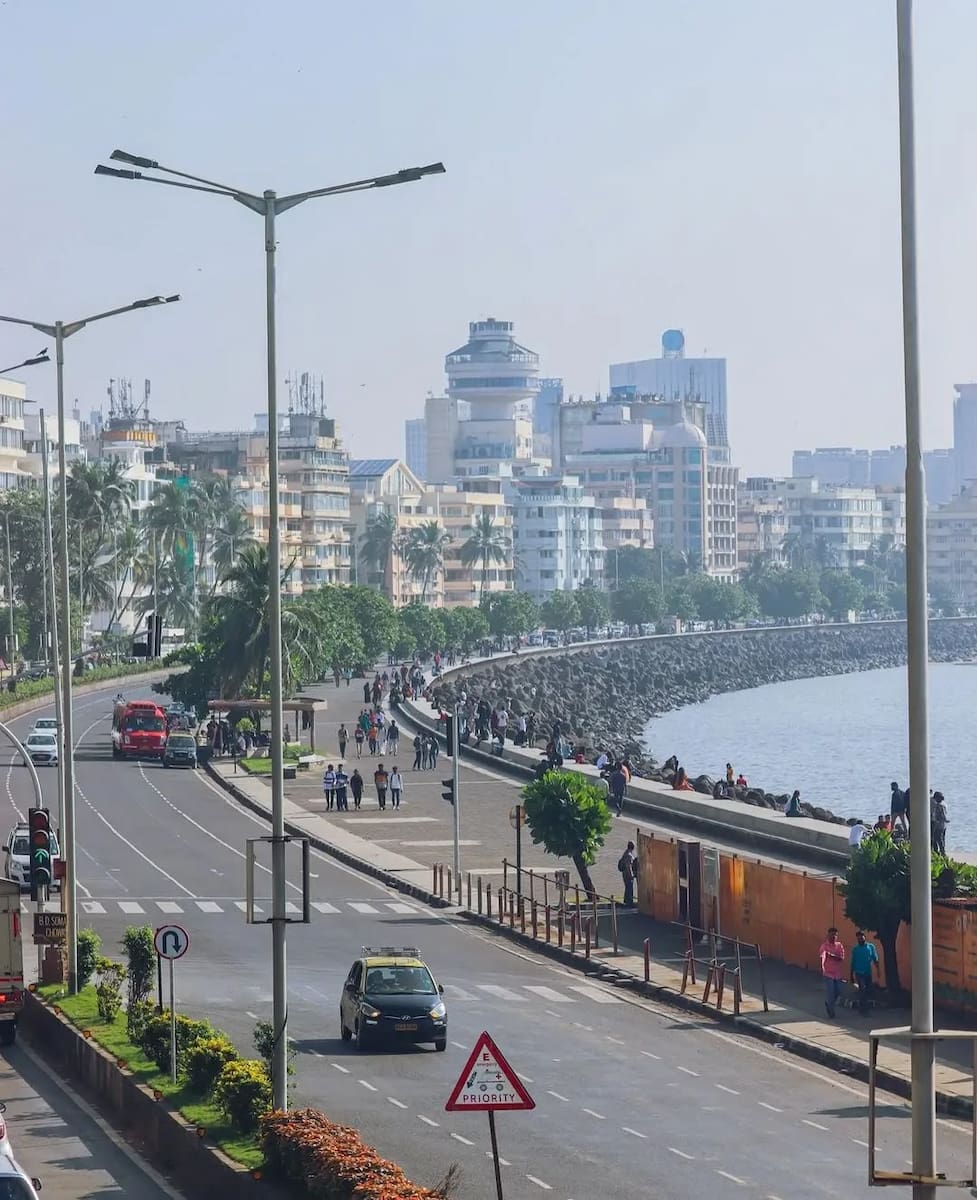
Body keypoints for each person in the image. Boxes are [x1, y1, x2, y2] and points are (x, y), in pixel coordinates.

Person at [849, 929, 881, 1014]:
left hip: (867, 972)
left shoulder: (870, 947)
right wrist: (851, 974)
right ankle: (863, 1009)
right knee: (862, 988)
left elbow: (875, 959)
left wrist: (878, 970)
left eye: (862, 938)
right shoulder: (855, 949)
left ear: (864, 938)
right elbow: (853, 962)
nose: (860, 940)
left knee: (868, 990)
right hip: (859, 973)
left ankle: (864, 1004)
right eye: (858, 938)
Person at [819, 926, 846, 1019]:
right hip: (828, 973)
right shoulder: (824, 946)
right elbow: (822, 957)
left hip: (837, 974)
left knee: (838, 991)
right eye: (832, 935)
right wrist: (822, 967)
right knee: (831, 992)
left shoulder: (839, 946)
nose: (834, 937)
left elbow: (841, 958)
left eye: (835, 935)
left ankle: (829, 1003)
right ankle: (831, 1011)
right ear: (828, 935)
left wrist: (832, 956)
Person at [618, 841, 638, 907]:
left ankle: (626, 902)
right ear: (633, 847)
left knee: (628, 888)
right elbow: (628, 866)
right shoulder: (629, 855)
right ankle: (629, 903)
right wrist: (631, 875)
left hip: (625, 874)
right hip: (628, 875)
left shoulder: (626, 853)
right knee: (629, 889)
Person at [932, 791, 949, 856]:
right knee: (942, 838)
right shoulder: (944, 804)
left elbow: (942, 815)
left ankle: (941, 852)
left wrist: (935, 820)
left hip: (939, 824)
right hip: (944, 825)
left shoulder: (939, 805)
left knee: (937, 838)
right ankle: (942, 851)